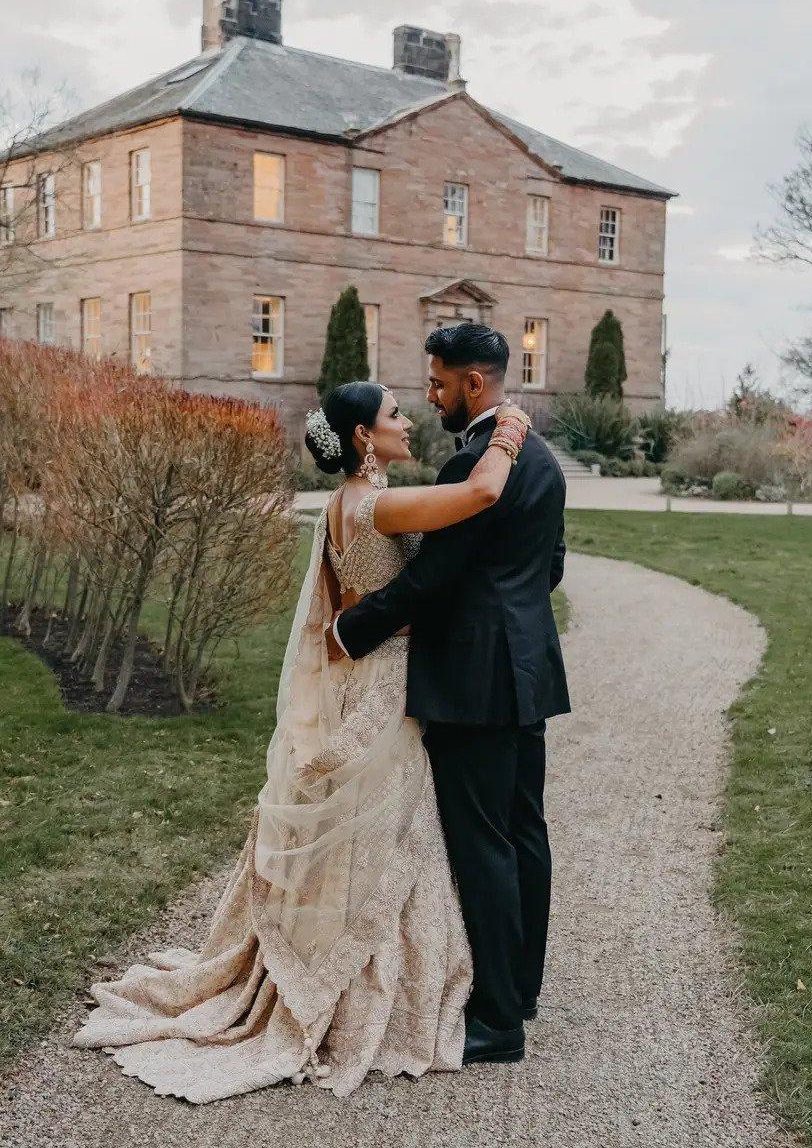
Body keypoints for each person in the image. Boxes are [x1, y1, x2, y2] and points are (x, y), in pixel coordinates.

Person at [70, 373, 533, 1101]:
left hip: (367, 675)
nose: (406, 420)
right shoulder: (376, 504)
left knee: (367, 832)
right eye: (391, 415)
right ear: (362, 438)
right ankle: (352, 993)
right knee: (386, 832)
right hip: (383, 689)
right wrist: (508, 430)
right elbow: (480, 495)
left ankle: (332, 964)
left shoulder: (344, 505)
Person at [327, 322, 570, 1066]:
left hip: (474, 679)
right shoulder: (544, 456)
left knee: (483, 844)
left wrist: (351, 631)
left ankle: (497, 1022)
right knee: (524, 831)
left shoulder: (477, 462)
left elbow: (435, 580)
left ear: (474, 383)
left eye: (437, 383)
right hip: (526, 666)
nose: (431, 397)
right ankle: (519, 987)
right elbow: (550, 566)